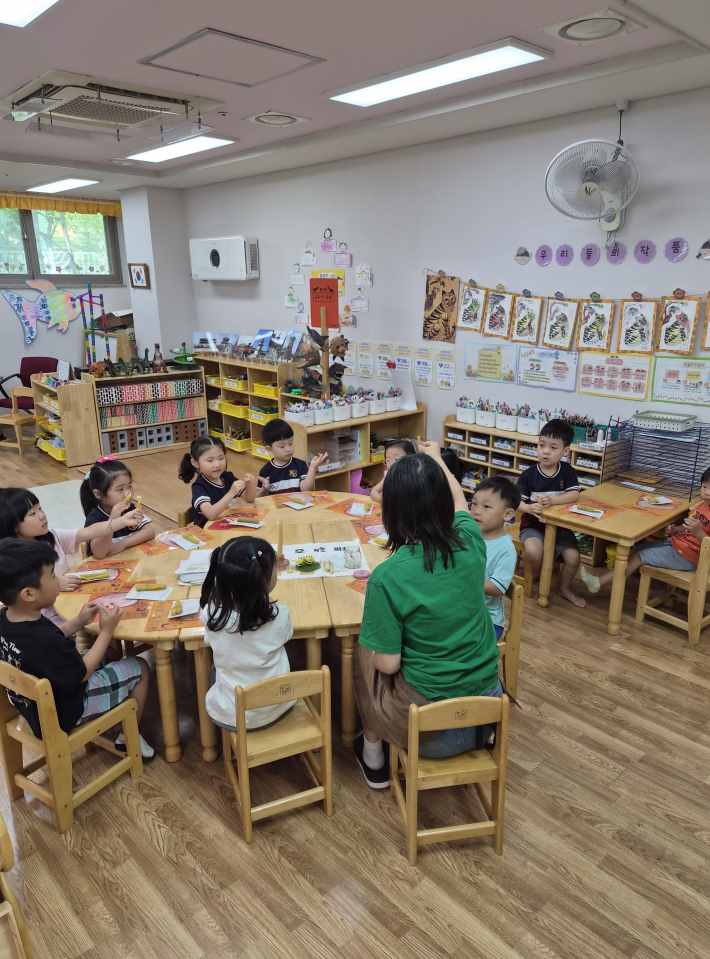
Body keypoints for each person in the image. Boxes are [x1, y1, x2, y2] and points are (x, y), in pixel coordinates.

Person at [353, 442, 501, 789]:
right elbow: (461, 501)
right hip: (487, 716)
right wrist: (435, 459)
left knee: (364, 651)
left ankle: (372, 752)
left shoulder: (388, 577)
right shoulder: (470, 539)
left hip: (431, 735)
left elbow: (388, 666)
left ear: (393, 512)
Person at [0, 539, 155, 758]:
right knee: (140, 666)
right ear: (29, 594)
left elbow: (51, 638)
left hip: (33, 708)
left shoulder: (7, 618)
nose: (58, 580)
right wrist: (106, 632)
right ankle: (128, 738)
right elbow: (82, 673)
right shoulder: (44, 639)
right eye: (53, 576)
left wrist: (79, 621)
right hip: (65, 711)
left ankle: (113, 710)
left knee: (110, 653)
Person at [0, 486, 145, 628]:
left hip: (71, 604)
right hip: (42, 620)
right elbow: (16, 596)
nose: (42, 515)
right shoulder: (9, 559)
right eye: (32, 514)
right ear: (14, 526)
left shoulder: (51, 537)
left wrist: (121, 521)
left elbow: (88, 532)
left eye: (40, 508)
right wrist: (56, 582)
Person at [200, 537, 295, 731]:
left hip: (231, 713)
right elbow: (285, 637)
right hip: (278, 705)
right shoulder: (280, 614)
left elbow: (212, 641)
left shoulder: (212, 615)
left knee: (213, 668)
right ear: (266, 580)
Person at [581, 466, 710, 593]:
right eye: (704, 487)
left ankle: (599, 583)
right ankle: (657, 589)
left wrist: (698, 531)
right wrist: (676, 529)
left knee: (638, 556)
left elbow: (706, 543)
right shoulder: (703, 504)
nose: (707, 492)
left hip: (689, 557)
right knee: (637, 549)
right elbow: (690, 525)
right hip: (675, 544)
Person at [516, 419, 584, 608]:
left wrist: (553, 500)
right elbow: (516, 502)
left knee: (573, 558)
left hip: (560, 527)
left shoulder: (567, 471)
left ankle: (564, 588)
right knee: (533, 551)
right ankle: (542, 576)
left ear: (565, 451)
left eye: (553, 447)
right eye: (541, 445)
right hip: (532, 526)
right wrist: (528, 508)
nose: (545, 451)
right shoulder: (529, 474)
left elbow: (574, 494)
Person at [471, 476, 521, 637]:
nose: (477, 511)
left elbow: (497, 588)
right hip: (463, 611)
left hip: (487, 620)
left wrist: (465, 580)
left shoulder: (505, 549)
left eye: (486, 506)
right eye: (474, 503)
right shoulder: (468, 534)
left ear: (507, 514)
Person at [80, 458, 154, 558]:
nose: (128, 493)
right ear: (99, 494)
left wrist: (122, 544)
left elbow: (149, 532)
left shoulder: (129, 509)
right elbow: (99, 553)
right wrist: (112, 521)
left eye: (130, 486)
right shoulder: (94, 518)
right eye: (120, 489)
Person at [178, 436, 256, 527]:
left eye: (221, 458)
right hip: (208, 534)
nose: (217, 464)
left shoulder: (227, 477)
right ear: (195, 463)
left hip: (228, 527)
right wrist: (231, 493)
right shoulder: (199, 486)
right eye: (210, 460)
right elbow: (211, 514)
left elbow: (250, 499)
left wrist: (249, 484)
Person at [256, 419, 327, 496]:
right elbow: (260, 498)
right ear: (269, 449)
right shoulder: (265, 471)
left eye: (290, 443)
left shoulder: (300, 465)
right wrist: (264, 490)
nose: (288, 449)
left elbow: (306, 490)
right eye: (282, 446)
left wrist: (313, 467)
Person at [369, 439, 416, 504]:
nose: (391, 464)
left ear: (411, 460)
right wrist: (382, 500)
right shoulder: (388, 476)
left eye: (396, 459)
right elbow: (374, 491)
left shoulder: (414, 478)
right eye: (388, 460)